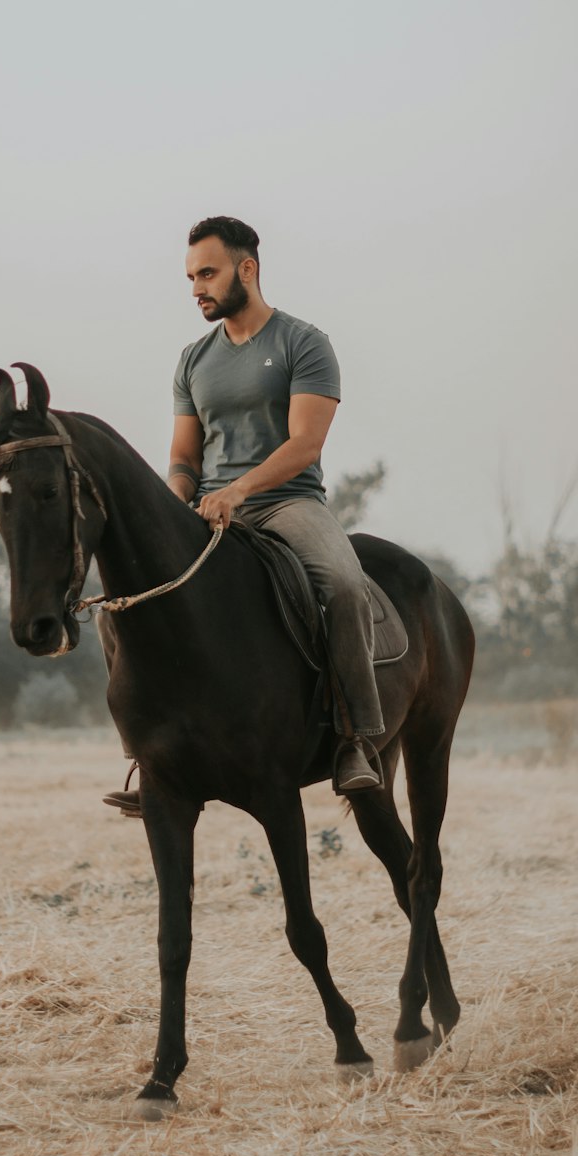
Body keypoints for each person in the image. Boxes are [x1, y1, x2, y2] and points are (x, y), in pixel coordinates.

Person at [104, 216, 383, 814]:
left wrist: (240, 490)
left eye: (207, 273)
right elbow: (184, 455)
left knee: (345, 585)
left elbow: (306, 444)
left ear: (246, 270)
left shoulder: (302, 343)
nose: (196, 288)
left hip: (287, 504)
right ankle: (147, 754)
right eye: (190, 277)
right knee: (119, 606)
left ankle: (355, 740)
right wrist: (173, 499)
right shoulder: (193, 360)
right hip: (208, 513)